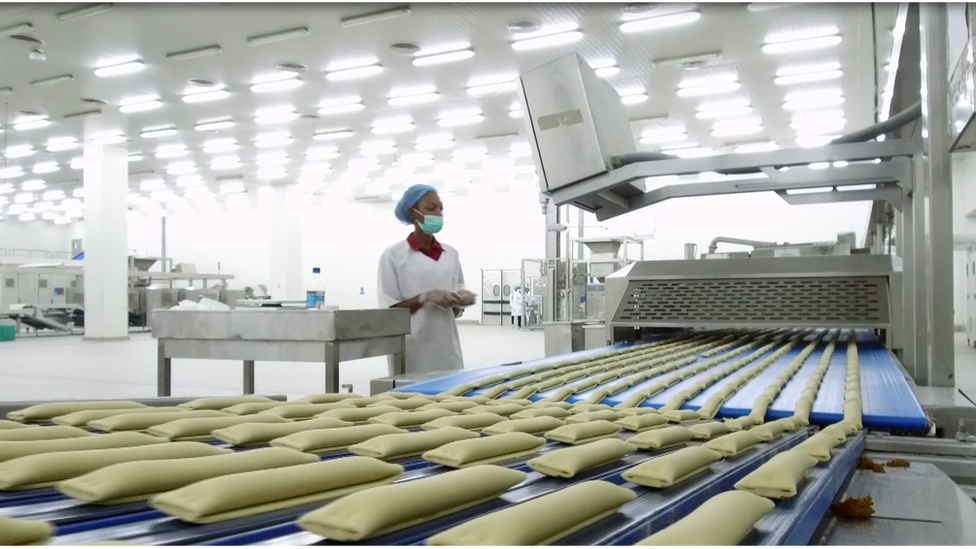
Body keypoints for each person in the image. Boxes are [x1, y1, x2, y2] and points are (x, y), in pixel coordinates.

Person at [377, 184, 476, 375]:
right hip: (413, 348)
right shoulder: (394, 256)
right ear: (412, 213)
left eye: (440, 208)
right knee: (415, 401)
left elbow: (455, 310)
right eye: (431, 208)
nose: (438, 213)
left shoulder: (451, 254)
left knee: (450, 398)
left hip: (447, 348)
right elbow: (388, 312)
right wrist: (423, 298)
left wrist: (461, 299)